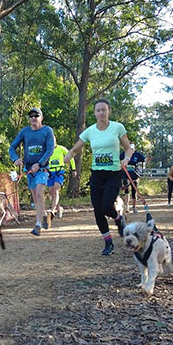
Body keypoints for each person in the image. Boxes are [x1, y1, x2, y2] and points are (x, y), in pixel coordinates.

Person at [64, 98, 132, 255]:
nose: (101, 112)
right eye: (98, 110)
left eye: (104, 109)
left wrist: (126, 158)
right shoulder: (90, 131)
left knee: (106, 206)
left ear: (109, 111)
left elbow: (128, 148)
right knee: (98, 210)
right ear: (94, 113)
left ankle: (117, 217)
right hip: (97, 175)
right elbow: (75, 149)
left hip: (113, 174)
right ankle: (108, 242)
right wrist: (69, 154)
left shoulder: (117, 128)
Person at [9, 107, 55, 236]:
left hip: (42, 169)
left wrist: (39, 163)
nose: (33, 118)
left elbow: (50, 150)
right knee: (35, 197)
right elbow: (12, 147)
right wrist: (15, 159)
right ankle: (45, 214)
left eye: (36, 115)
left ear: (41, 118)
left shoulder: (47, 131)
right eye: (31, 116)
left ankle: (38, 225)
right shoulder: (25, 132)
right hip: (29, 169)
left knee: (40, 194)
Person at [120, 144, 146, 213]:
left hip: (134, 175)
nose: (131, 150)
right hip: (125, 175)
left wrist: (147, 159)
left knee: (134, 191)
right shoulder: (123, 154)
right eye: (129, 149)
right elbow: (117, 160)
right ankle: (127, 206)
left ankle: (134, 207)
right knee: (126, 191)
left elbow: (144, 159)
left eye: (132, 149)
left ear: (134, 149)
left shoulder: (137, 155)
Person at [47, 143, 69, 220]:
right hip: (50, 173)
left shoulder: (61, 149)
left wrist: (74, 169)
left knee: (56, 191)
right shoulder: (47, 149)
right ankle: (59, 208)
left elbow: (71, 157)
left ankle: (52, 210)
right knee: (52, 191)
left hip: (59, 172)